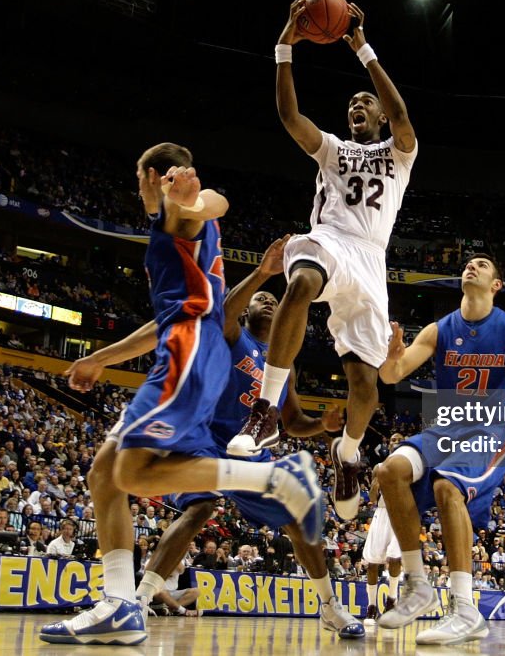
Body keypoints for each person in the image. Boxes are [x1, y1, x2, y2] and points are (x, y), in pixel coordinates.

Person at [40, 147, 324, 647]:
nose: (143, 188)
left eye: (140, 178)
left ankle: (272, 478)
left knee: (127, 472)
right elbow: (165, 318)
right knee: (106, 473)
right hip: (187, 344)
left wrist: (190, 203)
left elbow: (216, 203)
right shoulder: (169, 229)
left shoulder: (178, 213)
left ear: (150, 176)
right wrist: (101, 358)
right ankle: (120, 605)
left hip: (190, 351)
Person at [230, 0, 418, 527]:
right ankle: (266, 411)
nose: (358, 106)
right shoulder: (333, 149)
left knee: (366, 385)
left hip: (371, 263)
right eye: (353, 103)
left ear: (378, 114)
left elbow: (402, 117)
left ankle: (350, 453)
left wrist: (362, 49)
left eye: (366, 103)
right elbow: (289, 116)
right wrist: (285, 42)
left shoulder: (400, 153)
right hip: (330, 238)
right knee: (302, 276)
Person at [135, 237, 364, 638]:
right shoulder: (231, 336)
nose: (269, 301)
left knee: (298, 519)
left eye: (273, 298)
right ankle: (139, 600)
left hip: (248, 449)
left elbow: (291, 422)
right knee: (201, 507)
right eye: (262, 298)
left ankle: (329, 606)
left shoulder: (283, 364)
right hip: (204, 437)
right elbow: (222, 315)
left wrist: (323, 426)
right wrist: (262, 273)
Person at [373, 254, 505, 644]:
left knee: (446, 488)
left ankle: (466, 609)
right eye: (468, 264)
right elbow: (392, 375)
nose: (472, 266)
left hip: (493, 430)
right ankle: (417, 585)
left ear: (496, 285)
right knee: (389, 471)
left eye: (483, 265)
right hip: (446, 428)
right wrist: (390, 358)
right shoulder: (439, 329)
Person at [362, 433, 405, 625]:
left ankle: (392, 599)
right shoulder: (378, 468)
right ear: (388, 444)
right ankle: (371, 607)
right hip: (381, 513)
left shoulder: (410, 467)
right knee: (372, 563)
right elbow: (372, 498)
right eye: (392, 440)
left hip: (400, 513)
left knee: (395, 558)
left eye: (399, 440)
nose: (395, 442)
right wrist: (375, 485)